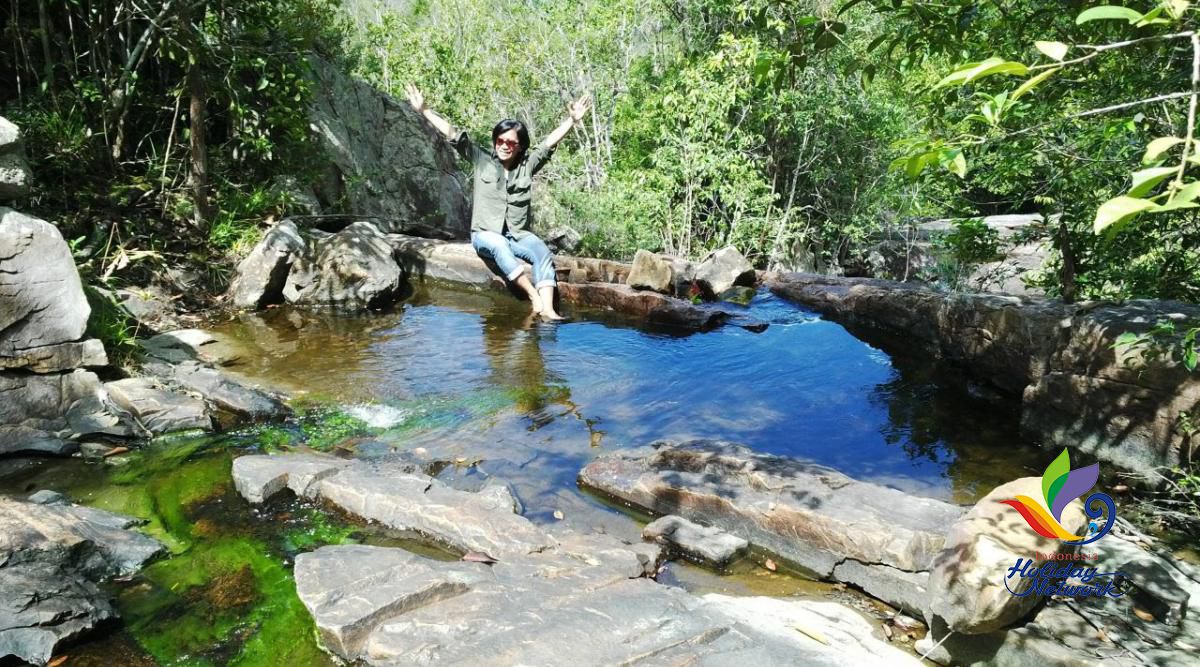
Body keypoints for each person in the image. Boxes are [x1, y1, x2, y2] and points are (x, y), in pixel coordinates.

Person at [405, 84, 591, 321]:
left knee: (542, 252)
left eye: (511, 143)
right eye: (501, 140)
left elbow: (547, 145)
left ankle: (549, 312)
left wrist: (572, 121)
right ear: (495, 141)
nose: (504, 145)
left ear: (520, 146)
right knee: (499, 246)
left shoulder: (527, 166)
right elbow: (454, 135)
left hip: (518, 234)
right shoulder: (481, 159)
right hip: (485, 234)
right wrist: (424, 110)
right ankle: (533, 296)